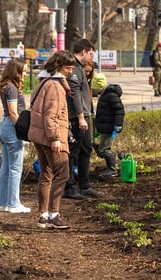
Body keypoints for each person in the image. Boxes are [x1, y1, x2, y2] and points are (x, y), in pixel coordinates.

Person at [28, 50, 75, 229]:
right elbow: (51, 116)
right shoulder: (55, 87)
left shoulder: (43, 82)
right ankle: (54, 214)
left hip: (39, 136)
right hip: (51, 137)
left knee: (46, 175)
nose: (70, 71)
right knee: (62, 173)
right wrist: (55, 138)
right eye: (68, 67)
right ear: (58, 66)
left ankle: (43, 215)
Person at [63, 38, 103, 200]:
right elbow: (74, 95)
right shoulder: (73, 69)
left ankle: (85, 185)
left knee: (86, 149)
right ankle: (69, 186)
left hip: (84, 116)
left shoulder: (79, 68)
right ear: (84, 52)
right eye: (91, 54)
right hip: (77, 118)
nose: (92, 58)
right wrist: (80, 117)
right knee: (73, 152)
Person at [0, 59, 31, 213]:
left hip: (5, 126)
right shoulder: (12, 89)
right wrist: (24, 130)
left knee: (6, 167)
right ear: (16, 71)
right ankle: (14, 204)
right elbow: (13, 113)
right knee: (15, 168)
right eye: (23, 71)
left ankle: (3, 203)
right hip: (12, 128)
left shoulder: (6, 87)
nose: (25, 74)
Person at [94, 84, 125, 177]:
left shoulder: (111, 96)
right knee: (103, 148)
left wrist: (118, 125)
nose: (94, 90)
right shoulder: (105, 95)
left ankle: (112, 169)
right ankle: (113, 163)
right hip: (105, 127)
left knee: (104, 149)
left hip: (109, 128)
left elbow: (119, 111)